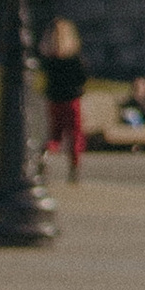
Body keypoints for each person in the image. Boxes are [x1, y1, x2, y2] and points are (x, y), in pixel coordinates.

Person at [39, 18, 89, 183]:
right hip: (72, 99)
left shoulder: (50, 58)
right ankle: (74, 166)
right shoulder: (74, 58)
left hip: (54, 99)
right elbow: (83, 76)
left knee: (55, 133)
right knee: (75, 133)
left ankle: (46, 153)